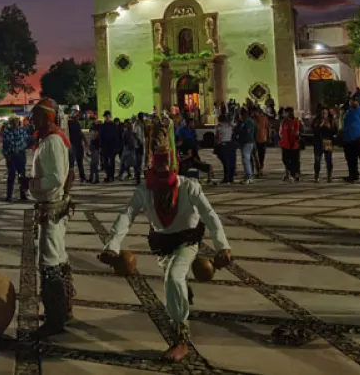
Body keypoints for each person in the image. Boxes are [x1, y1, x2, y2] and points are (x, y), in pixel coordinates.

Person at [99, 119, 231, 362]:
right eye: (156, 169)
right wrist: (112, 246)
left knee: (173, 276)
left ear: (173, 167)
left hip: (188, 241)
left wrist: (223, 246)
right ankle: (185, 291)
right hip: (161, 245)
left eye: (165, 169)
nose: (160, 176)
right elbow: (126, 215)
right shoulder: (144, 191)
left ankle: (181, 339)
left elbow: (210, 216)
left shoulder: (190, 187)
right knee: (175, 276)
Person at [20, 98, 76, 336]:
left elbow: (54, 180)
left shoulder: (52, 141)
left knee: (50, 262)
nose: (32, 119)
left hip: (51, 207)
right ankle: (63, 309)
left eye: (35, 116)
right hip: (53, 206)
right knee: (59, 258)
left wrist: (30, 183)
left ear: (47, 118)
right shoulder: (50, 139)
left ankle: (55, 319)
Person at [342, 96, 360, 183]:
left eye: (354, 101)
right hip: (348, 140)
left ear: (358, 102)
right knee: (351, 159)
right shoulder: (348, 112)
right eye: (351, 101)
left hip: (359, 139)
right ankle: (353, 175)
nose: (352, 103)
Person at [1, 116, 29, 202]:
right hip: (11, 156)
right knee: (11, 176)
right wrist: (6, 155)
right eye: (15, 122)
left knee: (22, 176)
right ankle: (9, 195)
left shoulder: (22, 130)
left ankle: (23, 194)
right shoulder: (7, 131)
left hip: (21, 154)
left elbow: (25, 140)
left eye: (17, 122)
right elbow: (6, 143)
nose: (16, 123)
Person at [312, 107, 336, 183]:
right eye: (322, 113)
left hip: (327, 142)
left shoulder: (331, 120)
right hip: (318, 142)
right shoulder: (317, 120)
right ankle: (316, 175)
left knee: (328, 160)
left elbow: (335, 131)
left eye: (325, 113)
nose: (324, 114)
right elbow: (313, 130)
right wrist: (320, 125)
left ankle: (329, 176)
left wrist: (329, 127)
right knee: (317, 160)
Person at [279, 107, 301, 182]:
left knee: (294, 160)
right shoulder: (283, 122)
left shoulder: (296, 121)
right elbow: (281, 132)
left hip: (294, 144)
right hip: (285, 144)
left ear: (289, 113)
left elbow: (297, 132)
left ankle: (294, 174)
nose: (284, 114)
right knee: (285, 159)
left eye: (285, 112)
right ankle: (290, 173)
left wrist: (296, 135)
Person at [235, 108, 255, 184]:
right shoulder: (243, 122)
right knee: (245, 159)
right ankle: (248, 175)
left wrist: (239, 131)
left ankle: (249, 176)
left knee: (246, 159)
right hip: (244, 142)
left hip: (248, 142)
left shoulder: (248, 122)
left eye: (240, 114)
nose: (239, 116)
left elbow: (247, 132)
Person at [67, 111, 87, 183]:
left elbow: (80, 133)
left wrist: (85, 141)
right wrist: (85, 141)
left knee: (76, 163)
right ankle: (79, 177)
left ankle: (81, 177)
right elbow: (80, 133)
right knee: (75, 163)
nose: (77, 118)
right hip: (74, 145)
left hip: (76, 145)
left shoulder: (74, 123)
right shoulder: (71, 124)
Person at [100, 111, 118, 182]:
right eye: (105, 116)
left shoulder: (113, 126)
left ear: (110, 117)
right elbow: (101, 137)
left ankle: (112, 176)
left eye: (107, 116)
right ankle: (108, 175)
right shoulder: (103, 126)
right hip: (105, 146)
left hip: (112, 146)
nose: (106, 117)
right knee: (106, 162)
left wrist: (116, 147)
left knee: (112, 162)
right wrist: (101, 146)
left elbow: (116, 137)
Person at [252, 107, 270, 178]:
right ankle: (259, 170)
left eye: (254, 112)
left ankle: (260, 169)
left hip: (262, 139)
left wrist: (269, 137)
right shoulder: (253, 119)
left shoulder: (263, 118)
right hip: (256, 139)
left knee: (260, 155)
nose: (253, 113)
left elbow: (268, 128)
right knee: (257, 156)